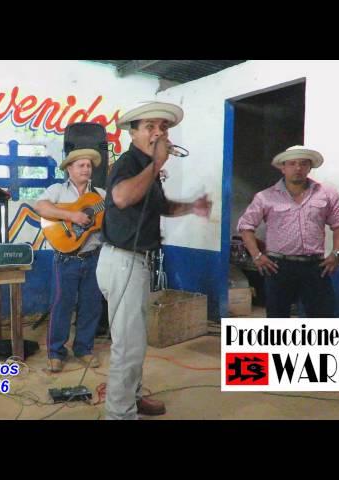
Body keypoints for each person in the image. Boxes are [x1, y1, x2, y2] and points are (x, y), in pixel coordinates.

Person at [96, 102, 211, 420]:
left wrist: (191, 207)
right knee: (128, 346)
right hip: (122, 261)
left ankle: (131, 398)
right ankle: (119, 414)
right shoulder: (128, 164)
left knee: (135, 339)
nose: (159, 133)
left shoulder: (147, 168)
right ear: (132, 133)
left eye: (164, 127)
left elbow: (159, 207)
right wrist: (156, 164)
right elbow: (120, 197)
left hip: (134, 262)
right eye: (150, 127)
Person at [237, 145, 339, 317]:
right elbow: (246, 226)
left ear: (309, 167)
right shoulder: (265, 197)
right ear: (283, 168)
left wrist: (336, 254)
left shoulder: (326, 194)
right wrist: (257, 256)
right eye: (292, 164)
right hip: (278, 267)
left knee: (323, 318)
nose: (298, 168)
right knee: (277, 318)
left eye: (303, 164)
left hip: (315, 266)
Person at [34, 148, 106, 373]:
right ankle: (56, 352)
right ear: (69, 169)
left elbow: (116, 210)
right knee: (61, 305)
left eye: (89, 165)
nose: (86, 169)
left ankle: (84, 349)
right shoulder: (57, 190)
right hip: (65, 258)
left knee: (91, 306)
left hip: (93, 257)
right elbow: (40, 207)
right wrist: (72, 215)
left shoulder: (102, 195)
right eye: (81, 165)